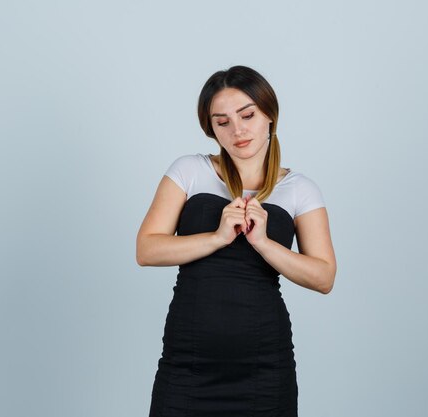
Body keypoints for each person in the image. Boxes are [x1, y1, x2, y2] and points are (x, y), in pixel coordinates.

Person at [136, 65, 337, 416]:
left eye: (247, 115)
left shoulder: (300, 189)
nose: (238, 130)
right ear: (211, 129)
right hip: (188, 361)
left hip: (264, 367)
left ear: (269, 115)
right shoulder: (189, 171)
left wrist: (263, 243)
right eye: (222, 121)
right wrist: (216, 237)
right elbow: (147, 249)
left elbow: (324, 277)